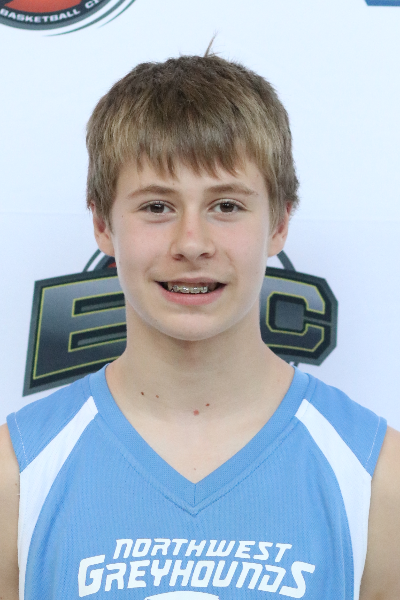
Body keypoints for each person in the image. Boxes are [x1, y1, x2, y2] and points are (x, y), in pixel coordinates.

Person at [0, 52, 399, 600]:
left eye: (227, 205)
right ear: (102, 225)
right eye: (157, 206)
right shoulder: (17, 474)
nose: (192, 243)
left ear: (279, 223)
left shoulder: (377, 478)